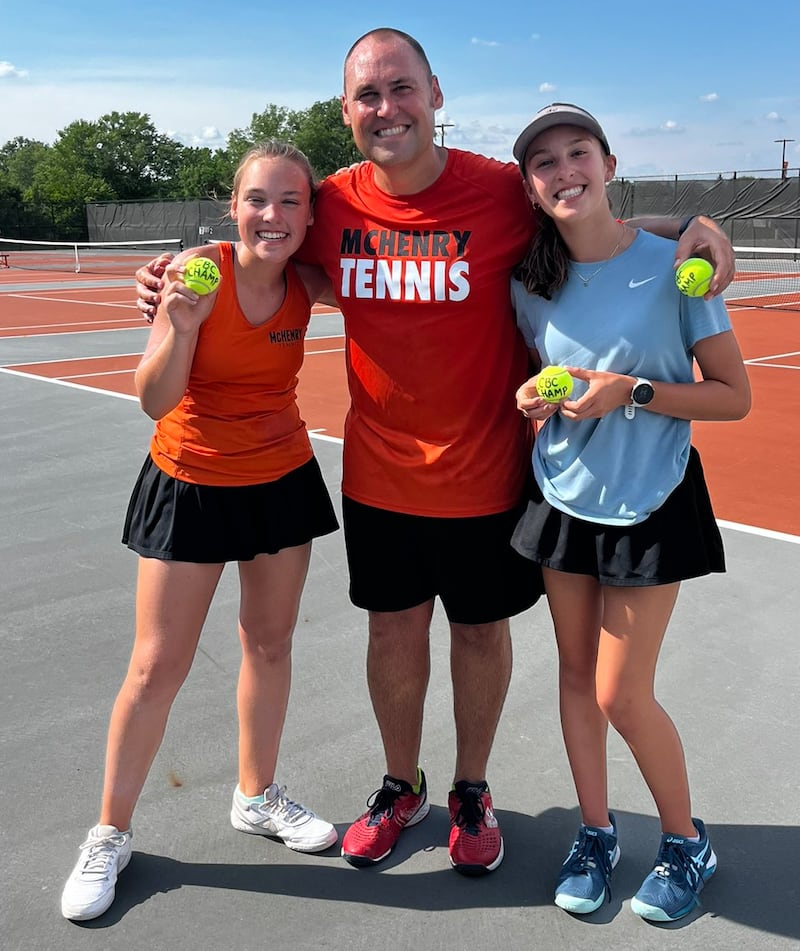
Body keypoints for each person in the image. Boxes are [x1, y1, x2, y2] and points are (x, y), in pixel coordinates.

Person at [134, 28, 738, 877]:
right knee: (393, 634)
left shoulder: (498, 190)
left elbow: (594, 212)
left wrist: (700, 224)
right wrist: (171, 275)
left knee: (480, 635)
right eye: (369, 96)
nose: (388, 109)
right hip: (380, 472)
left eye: (402, 88)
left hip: (490, 472)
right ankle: (398, 783)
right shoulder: (332, 204)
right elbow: (255, 255)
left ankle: (471, 788)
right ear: (347, 113)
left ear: (436, 94)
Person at [60, 142, 340, 922]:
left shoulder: (309, 280)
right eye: (258, 199)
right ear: (233, 204)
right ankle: (109, 832)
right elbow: (153, 400)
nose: (272, 216)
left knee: (271, 644)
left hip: (281, 479)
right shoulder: (193, 273)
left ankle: (256, 795)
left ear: (310, 215)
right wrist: (180, 325)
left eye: (290, 202)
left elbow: (401, 276)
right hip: (190, 480)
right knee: (156, 666)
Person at [509, 103, 751, 920]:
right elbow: (546, 378)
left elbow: (733, 396)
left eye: (578, 151)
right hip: (563, 496)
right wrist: (535, 398)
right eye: (544, 162)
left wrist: (633, 393)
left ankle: (686, 841)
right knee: (576, 679)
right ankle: (596, 830)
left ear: (608, 163)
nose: (563, 169)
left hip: (653, 496)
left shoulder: (675, 264)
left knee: (620, 690)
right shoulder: (528, 279)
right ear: (531, 186)